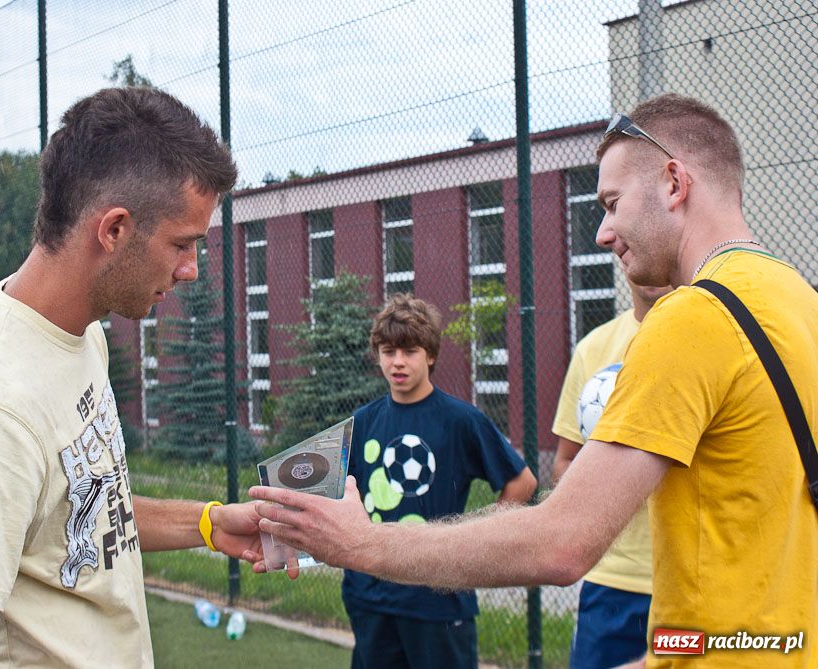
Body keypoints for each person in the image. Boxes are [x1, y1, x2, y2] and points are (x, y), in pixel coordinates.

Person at [250, 93, 818, 668]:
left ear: (674, 182)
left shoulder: (693, 316)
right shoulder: (799, 301)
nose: (602, 232)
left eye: (612, 203)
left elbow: (563, 541)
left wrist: (360, 543)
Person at [0, 87, 267, 668]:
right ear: (113, 230)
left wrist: (211, 524)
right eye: (182, 244)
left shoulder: (81, 332)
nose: (191, 270)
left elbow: (80, 509)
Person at [344, 294, 536, 669]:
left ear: (430, 355)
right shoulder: (363, 421)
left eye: (409, 351)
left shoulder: (460, 420)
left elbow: (522, 482)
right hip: (371, 598)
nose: (397, 362)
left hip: (438, 601)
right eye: (388, 351)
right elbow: (341, 493)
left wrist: (475, 540)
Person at [551, 279, 669, 669]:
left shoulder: (715, 339)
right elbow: (565, 462)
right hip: (613, 583)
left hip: (696, 584)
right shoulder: (593, 349)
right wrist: (616, 491)